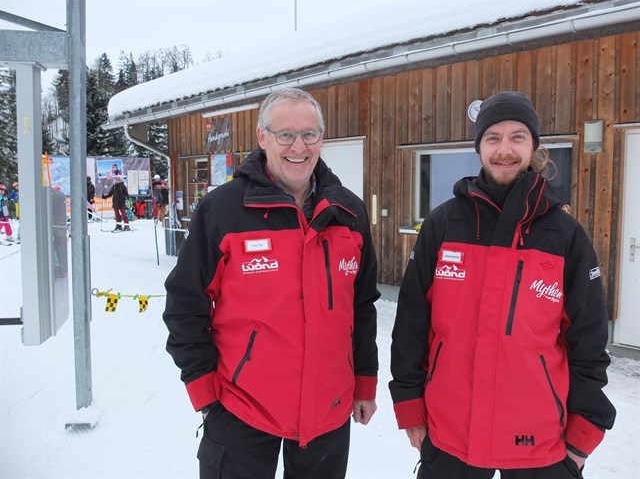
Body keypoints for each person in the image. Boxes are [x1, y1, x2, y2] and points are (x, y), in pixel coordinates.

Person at [389, 91, 616, 479]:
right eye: (493, 137)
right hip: (449, 433)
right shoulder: (444, 224)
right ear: (479, 147)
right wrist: (410, 407)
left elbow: (589, 340)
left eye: (517, 137)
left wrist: (582, 438)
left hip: (540, 440)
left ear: (533, 146)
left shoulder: (564, 234)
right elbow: (411, 323)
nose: (504, 149)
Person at [163, 88, 380, 478]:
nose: (299, 146)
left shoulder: (349, 212)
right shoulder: (224, 210)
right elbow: (184, 304)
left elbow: (362, 306)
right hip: (241, 409)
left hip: (327, 412)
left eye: (309, 134)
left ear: (322, 140)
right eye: (286, 135)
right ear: (263, 138)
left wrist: (364, 381)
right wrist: (205, 392)